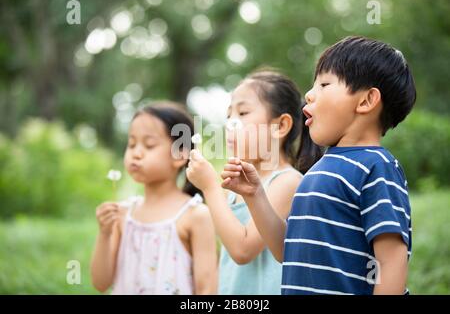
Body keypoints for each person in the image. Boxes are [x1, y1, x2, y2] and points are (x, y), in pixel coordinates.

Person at [222, 36, 416, 295]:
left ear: (366, 101)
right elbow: (287, 251)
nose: (309, 95)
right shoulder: (318, 171)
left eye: (324, 84)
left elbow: (391, 259)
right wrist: (255, 195)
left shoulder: (377, 166)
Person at [186, 70, 322, 294]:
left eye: (243, 112)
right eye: (229, 115)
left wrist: (209, 186)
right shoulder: (237, 187)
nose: (231, 124)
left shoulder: (287, 181)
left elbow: (242, 249)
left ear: (280, 126)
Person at [91, 102, 217, 295]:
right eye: (131, 144)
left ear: (179, 154)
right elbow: (100, 283)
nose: (136, 153)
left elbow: (207, 289)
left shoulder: (196, 215)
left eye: (149, 145)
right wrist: (104, 233)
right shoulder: (123, 214)